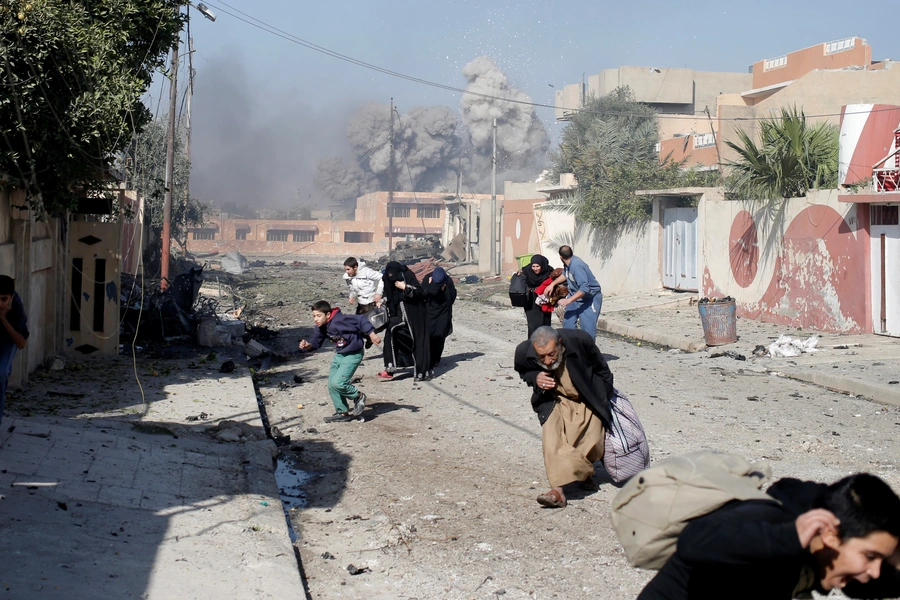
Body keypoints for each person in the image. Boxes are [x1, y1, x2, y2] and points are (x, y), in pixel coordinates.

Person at [638, 473, 900, 600]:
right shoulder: (768, 524)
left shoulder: (829, 554)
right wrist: (788, 537)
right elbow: (694, 541)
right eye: (870, 556)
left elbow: (875, 584)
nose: (876, 571)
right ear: (831, 536)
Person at [513, 326, 614, 508]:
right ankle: (557, 491)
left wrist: (602, 398)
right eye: (541, 357)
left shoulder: (580, 340)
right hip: (554, 400)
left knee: (591, 441)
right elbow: (523, 371)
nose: (548, 360)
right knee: (552, 440)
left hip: (586, 398)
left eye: (551, 354)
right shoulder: (524, 351)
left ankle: (584, 473)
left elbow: (603, 371)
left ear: (560, 344)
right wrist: (536, 377)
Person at [298, 300, 381, 422]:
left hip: (353, 354)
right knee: (332, 384)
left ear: (327, 315)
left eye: (318, 316)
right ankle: (342, 412)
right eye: (314, 316)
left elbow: (361, 320)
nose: (316, 319)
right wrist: (308, 346)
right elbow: (316, 342)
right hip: (340, 355)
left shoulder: (340, 320)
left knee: (338, 383)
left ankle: (358, 396)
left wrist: (372, 335)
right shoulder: (320, 327)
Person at [378, 261, 431, 382]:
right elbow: (391, 295)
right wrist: (383, 300)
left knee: (419, 341)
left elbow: (419, 292)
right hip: (398, 315)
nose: (391, 276)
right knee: (391, 334)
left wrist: (405, 287)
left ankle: (422, 371)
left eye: (393, 273)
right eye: (389, 273)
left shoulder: (407, 276)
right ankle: (390, 367)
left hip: (414, 314)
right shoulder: (388, 279)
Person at [544, 245, 602, 338]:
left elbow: (584, 289)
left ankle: (587, 351)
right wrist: (552, 284)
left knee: (587, 330)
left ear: (560, 256)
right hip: (575, 297)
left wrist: (568, 300)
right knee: (568, 323)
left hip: (589, 299)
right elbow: (565, 275)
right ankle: (571, 347)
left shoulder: (576, 266)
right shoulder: (568, 264)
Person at [0, 276, 27, 426]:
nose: (0, 304)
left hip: (9, 341)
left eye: (4, 300)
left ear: (11, 297)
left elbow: (21, 343)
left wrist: (3, 318)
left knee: (1, 374)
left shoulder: (16, 307)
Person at [425, 267, 456, 376]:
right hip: (429, 314)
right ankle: (428, 358)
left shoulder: (448, 282)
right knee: (428, 336)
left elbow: (452, 296)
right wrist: (429, 287)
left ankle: (436, 359)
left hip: (442, 314)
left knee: (440, 336)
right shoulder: (427, 280)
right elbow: (423, 294)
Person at [520, 254, 553, 337]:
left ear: (542, 265)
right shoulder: (527, 270)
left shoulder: (549, 271)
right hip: (531, 299)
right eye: (533, 266)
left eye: (537, 266)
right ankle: (532, 344)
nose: (535, 269)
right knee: (532, 324)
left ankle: (546, 345)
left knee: (545, 323)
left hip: (544, 299)